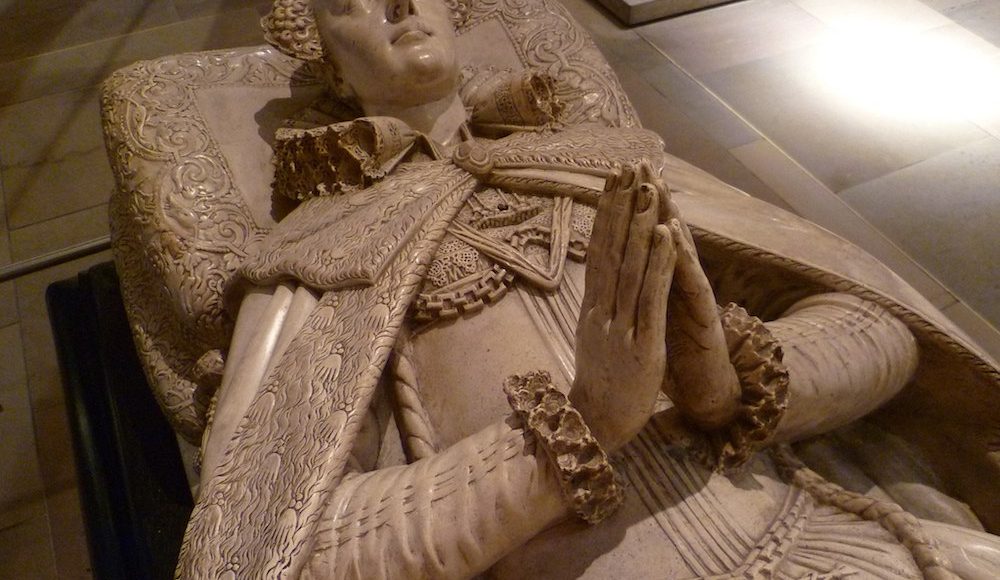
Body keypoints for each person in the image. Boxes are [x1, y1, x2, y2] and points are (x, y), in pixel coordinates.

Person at [164, 0, 1000, 577]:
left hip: (833, 551)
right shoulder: (319, 255)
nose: (400, 3)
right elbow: (276, 546)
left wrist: (728, 380)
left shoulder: (596, 161)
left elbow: (881, 327)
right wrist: (585, 422)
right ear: (334, 77)